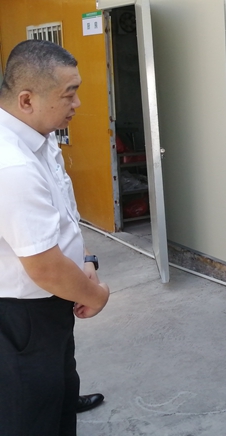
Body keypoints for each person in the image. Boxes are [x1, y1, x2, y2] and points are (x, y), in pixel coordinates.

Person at [0, 40, 110, 435]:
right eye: (69, 93)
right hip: (24, 316)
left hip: (51, 305)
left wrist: (86, 260)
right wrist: (95, 294)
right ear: (27, 99)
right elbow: (44, 267)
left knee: (59, 394)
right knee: (32, 415)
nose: (77, 103)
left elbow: (62, 217)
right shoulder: (12, 163)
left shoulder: (40, 138)